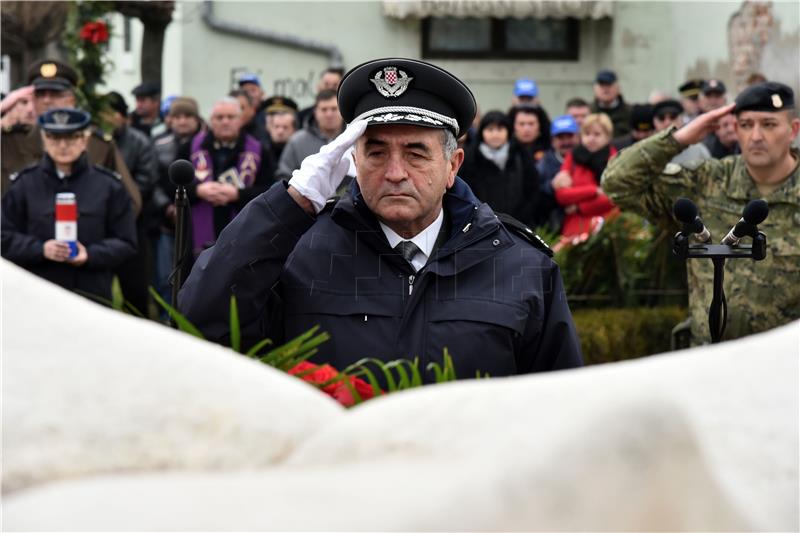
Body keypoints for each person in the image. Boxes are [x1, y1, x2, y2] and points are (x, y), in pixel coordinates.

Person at [178, 58, 583, 381]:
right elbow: (203, 324)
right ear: (352, 159)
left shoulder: (520, 265)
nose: (394, 172)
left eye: (416, 153)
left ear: (452, 165)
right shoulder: (301, 252)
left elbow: (560, 406)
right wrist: (291, 204)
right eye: (375, 152)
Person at [602, 82, 800, 344]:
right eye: (745, 125)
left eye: (768, 124)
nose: (756, 136)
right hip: (707, 359)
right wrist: (679, 139)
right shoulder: (707, 181)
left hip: (784, 367)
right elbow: (616, 183)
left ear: (793, 130)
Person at [1, 108, 137, 302]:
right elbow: (4, 237)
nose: (63, 145)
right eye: (54, 138)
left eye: (72, 138)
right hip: (38, 294)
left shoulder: (108, 186)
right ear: (44, 140)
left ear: (85, 140)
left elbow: (126, 242)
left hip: (91, 294)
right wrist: (40, 249)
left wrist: (89, 255)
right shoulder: (24, 184)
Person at [1, 60, 141, 215]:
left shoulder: (97, 144)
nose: (47, 100)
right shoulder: (10, 142)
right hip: (26, 236)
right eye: (40, 94)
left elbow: (130, 203)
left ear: (72, 99)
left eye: (55, 94)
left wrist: (95, 231)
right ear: (33, 100)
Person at [177, 96, 276, 257]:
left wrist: (238, 194)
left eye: (231, 117)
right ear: (211, 121)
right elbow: (172, 185)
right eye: (219, 117)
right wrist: (198, 190)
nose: (225, 122)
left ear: (241, 120)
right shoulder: (189, 148)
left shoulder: (259, 150)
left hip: (243, 228)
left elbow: (269, 190)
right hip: (196, 230)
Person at [103, 91, 160, 315]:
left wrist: (115, 206)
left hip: (133, 223)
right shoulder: (92, 140)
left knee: (135, 290)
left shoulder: (139, 142)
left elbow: (146, 181)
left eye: (113, 113)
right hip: (99, 226)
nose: (108, 118)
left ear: (124, 117)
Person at [457, 110, 541, 228]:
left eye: (500, 129)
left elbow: (532, 189)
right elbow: (464, 192)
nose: (495, 134)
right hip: (480, 226)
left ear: (508, 131)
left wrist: (521, 218)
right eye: (490, 130)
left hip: (518, 225)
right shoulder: (471, 157)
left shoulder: (521, 154)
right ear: (482, 132)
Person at [552, 113, 618, 239]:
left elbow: (612, 198)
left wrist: (578, 207)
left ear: (608, 137)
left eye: (597, 134)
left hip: (607, 225)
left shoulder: (614, 159)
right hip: (575, 227)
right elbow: (562, 195)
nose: (591, 138)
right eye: (587, 134)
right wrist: (594, 191)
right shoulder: (572, 157)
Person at [276, 89, 344, 180]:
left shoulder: (356, 138)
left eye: (334, 109)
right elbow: (284, 176)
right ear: (315, 112)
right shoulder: (297, 141)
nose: (329, 114)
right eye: (324, 109)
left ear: (342, 110)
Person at [536, 114, 579, 232]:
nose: (565, 142)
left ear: (577, 137)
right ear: (553, 141)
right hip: (553, 225)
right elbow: (535, 192)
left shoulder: (586, 159)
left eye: (569, 136)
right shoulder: (543, 163)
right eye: (560, 137)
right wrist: (552, 186)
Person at [652, 99, 711, 165]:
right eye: (661, 118)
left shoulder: (698, 150)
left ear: (682, 119)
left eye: (673, 117)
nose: (667, 122)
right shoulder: (647, 151)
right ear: (654, 122)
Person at [590, 69, 631, 137]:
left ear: (618, 88)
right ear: (595, 89)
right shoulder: (589, 112)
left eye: (609, 84)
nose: (605, 89)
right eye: (602, 85)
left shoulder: (629, 111)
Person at [263, 96, 299, 162]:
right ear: (269, 127)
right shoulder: (261, 151)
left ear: (294, 129)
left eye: (285, 127)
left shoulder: (299, 152)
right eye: (276, 126)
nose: (280, 131)